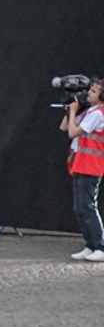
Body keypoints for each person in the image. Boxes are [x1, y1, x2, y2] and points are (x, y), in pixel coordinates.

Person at [60, 79, 104, 261]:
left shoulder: (98, 114)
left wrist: (73, 112)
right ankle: (90, 244)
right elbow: (64, 126)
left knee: (87, 207)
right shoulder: (89, 112)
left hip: (92, 164)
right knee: (79, 208)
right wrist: (71, 110)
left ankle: (100, 246)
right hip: (81, 162)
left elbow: (73, 132)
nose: (89, 93)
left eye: (94, 91)